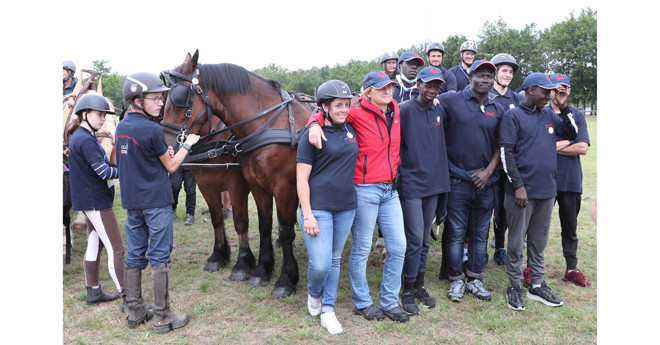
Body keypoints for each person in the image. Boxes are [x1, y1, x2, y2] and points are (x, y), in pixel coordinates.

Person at [307, 71, 409, 323]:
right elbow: (324, 111)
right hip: (364, 189)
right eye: (381, 88)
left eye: (391, 87)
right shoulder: (355, 110)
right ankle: (362, 302)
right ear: (367, 92)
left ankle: (389, 301)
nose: (388, 91)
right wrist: (313, 123)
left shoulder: (395, 108)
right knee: (362, 248)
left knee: (398, 247)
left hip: (390, 190)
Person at [116, 72, 200, 332]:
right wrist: (188, 145)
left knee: (135, 254)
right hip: (156, 202)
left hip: (133, 203)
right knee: (160, 258)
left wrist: (161, 154)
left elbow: (132, 158)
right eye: (154, 98)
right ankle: (163, 317)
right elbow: (173, 167)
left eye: (160, 98)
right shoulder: (153, 128)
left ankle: (136, 312)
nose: (160, 103)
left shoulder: (122, 126)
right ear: (137, 99)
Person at [499, 72, 578, 311]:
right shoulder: (512, 116)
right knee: (515, 242)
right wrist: (518, 186)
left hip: (547, 190)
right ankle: (514, 285)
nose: (550, 95)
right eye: (546, 91)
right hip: (521, 193)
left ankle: (536, 284)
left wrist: (563, 108)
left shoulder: (549, 115)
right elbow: (506, 153)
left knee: (539, 241)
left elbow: (572, 134)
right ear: (531, 90)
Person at [439, 60, 504, 303]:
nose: (485, 79)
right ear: (470, 77)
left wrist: (487, 172)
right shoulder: (450, 101)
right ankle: (456, 279)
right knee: (455, 233)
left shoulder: (497, 108)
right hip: (458, 180)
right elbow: (422, 106)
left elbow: (501, 146)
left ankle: (474, 278)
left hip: (486, 182)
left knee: (480, 233)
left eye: (490, 75)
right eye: (481, 75)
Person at [297, 80, 359, 335]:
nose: (344, 110)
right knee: (321, 264)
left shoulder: (351, 129)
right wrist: (308, 214)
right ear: (324, 107)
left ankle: (328, 309)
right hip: (318, 208)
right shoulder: (312, 136)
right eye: (338, 105)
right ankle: (314, 293)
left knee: (335, 260)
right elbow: (301, 179)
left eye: (346, 105)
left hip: (346, 207)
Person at [398, 67, 450, 315]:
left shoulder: (440, 108)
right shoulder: (405, 110)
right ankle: (407, 288)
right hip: (412, 183)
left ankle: (418, 285)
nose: (432, 90)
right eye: (428, 85)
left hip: (435, 183)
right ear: (417, 84)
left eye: (436, 86)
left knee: (426, 239)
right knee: (415, 238)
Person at [69, 93, 125, 307]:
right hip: (97, 201)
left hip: (89, 200)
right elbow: (103, 172)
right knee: (117, 249)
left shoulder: (82, 137)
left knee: (95, 243)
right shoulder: (85, 139)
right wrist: (126, 170)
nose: (103, 119)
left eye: (104, 115)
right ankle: (128, 298)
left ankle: (93, 291)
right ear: (84, 114)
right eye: (99, 114)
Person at [550, 73, 592, 287]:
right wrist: (569, 142)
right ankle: (531, 267)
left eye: (564, 88)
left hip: (570, 180)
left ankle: (571, 268)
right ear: (549, 89)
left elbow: (583, 148)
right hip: (545, 179)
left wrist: (553, 146)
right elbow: (538, 146)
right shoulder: (542, 113)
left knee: (570, 226)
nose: (560, 92)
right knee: (536, 227)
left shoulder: (577, 115)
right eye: (556, 88)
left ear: (569, 90)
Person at [488, 53, 525, 266]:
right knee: (492, 209)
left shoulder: (517, 99)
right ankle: (488, 247)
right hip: (490, 162)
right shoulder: (486, 95)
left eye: (510, 72)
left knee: (508, 207)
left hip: (511, 162)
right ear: (495, 72)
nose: (508, 75)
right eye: (504, 70)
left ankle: (502, 246)